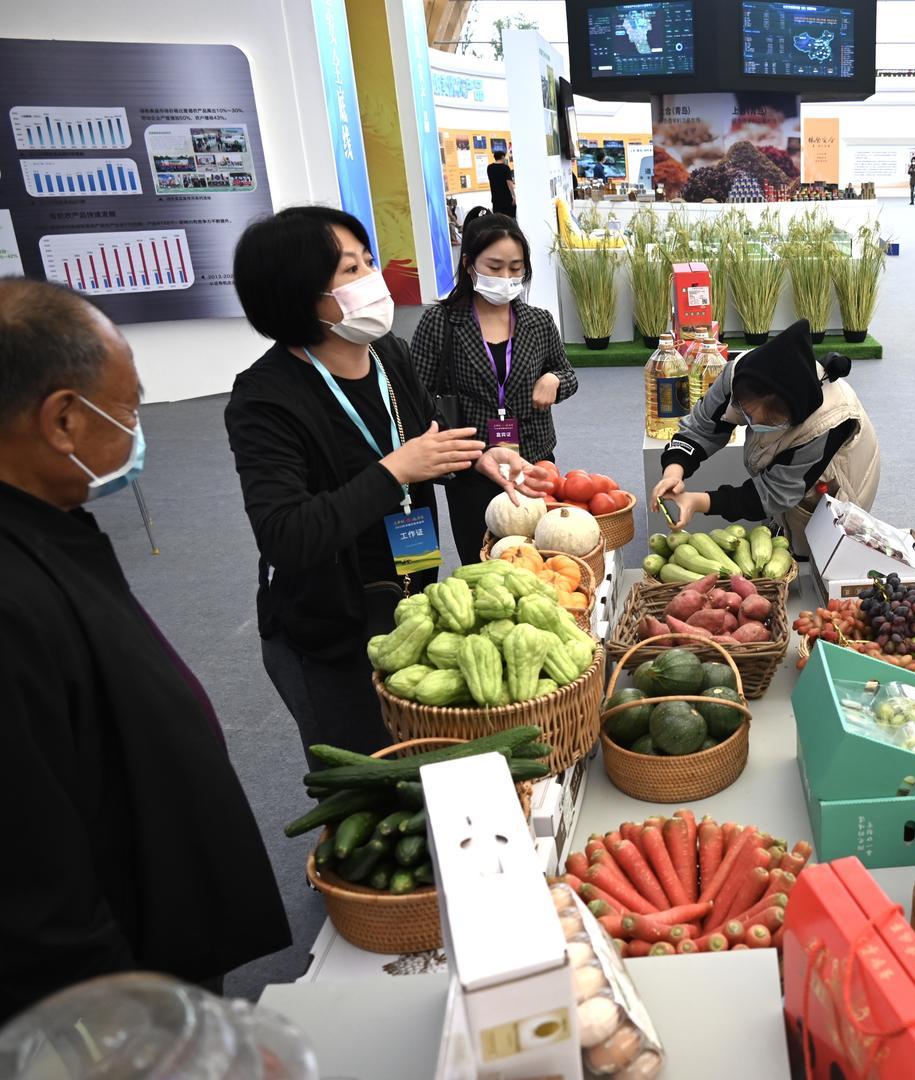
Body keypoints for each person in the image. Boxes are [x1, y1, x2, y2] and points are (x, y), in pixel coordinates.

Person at [0, 279, 289, 1021]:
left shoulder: (44, 526)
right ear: (63, 419)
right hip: (110, 993)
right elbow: (31, 877)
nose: (135, 427)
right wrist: (127, 1025)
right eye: (128, 406)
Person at [227, 206, 545, 767]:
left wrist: (480, 455)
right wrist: (396, 470)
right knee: (364, 769)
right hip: (328, 620)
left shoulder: (385, 353)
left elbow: (426, 434)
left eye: (368, 261)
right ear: (296, 292)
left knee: (420, 744)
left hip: (409, 591)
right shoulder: (264, 399)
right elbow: (287, 535)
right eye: (350, 270)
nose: (373, 279)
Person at [411, 212, 578, 565]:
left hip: (533, 459)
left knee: (541, 560)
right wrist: (464, 450)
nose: (506, 277)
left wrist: (555, 380)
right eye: (495, 266)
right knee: (482, 559)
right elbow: (417, 397)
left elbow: (567, 373)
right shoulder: (440, 323)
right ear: (470, 265)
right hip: (470, 466)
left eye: (516, 268)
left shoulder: (538, 321)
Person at [651, 319, 879, 545]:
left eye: (769, 419)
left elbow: (775, 493)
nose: (754, 421)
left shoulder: (828, 422)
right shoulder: (740, 373)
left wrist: (698, 502)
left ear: (794, 417)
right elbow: (701, 428)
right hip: (791, 476)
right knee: (780, 534)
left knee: (816, 546)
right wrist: (673, 472)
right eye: (746, 409)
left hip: (837, 481)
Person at [487, 149, 516, 218]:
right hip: (506, 199)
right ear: (502, 157)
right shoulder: (505, 168)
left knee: (498, 220)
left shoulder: (489, 168)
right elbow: (509, 183)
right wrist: (513, 196)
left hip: (495, 198)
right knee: (509, 219)